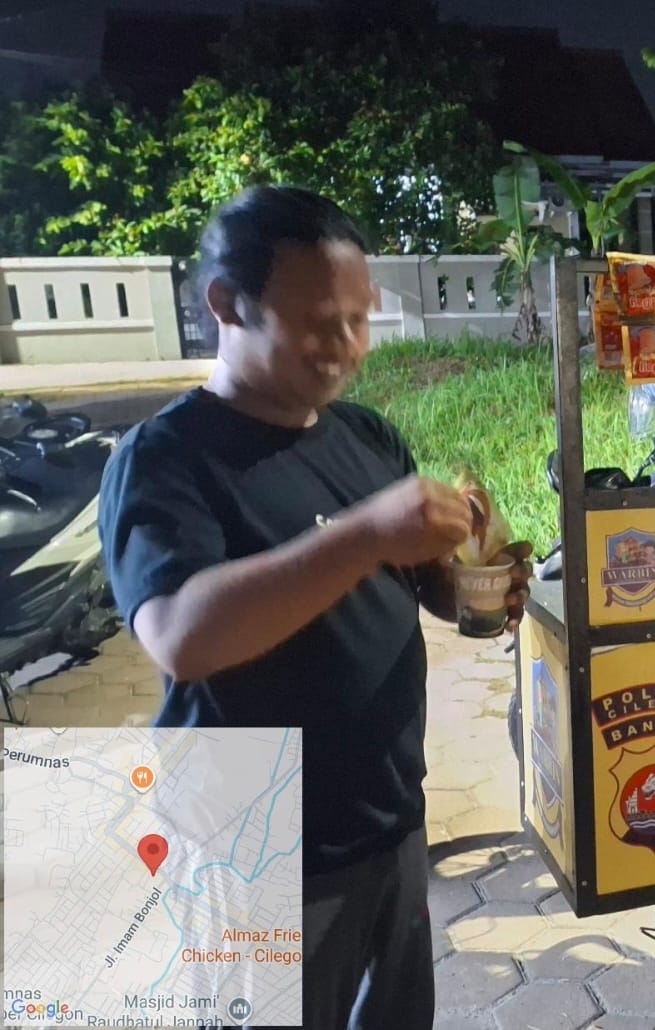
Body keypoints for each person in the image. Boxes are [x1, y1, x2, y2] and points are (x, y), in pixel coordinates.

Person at [98, 185, 531, 1030]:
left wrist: (470, 591)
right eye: (320, 323)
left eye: (360, 321)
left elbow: (416, 581)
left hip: (388, 823)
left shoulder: (365, 437)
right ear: (230, 305)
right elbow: (181, 636)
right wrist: (366, 534)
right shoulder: (166, 458)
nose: (348, 348)